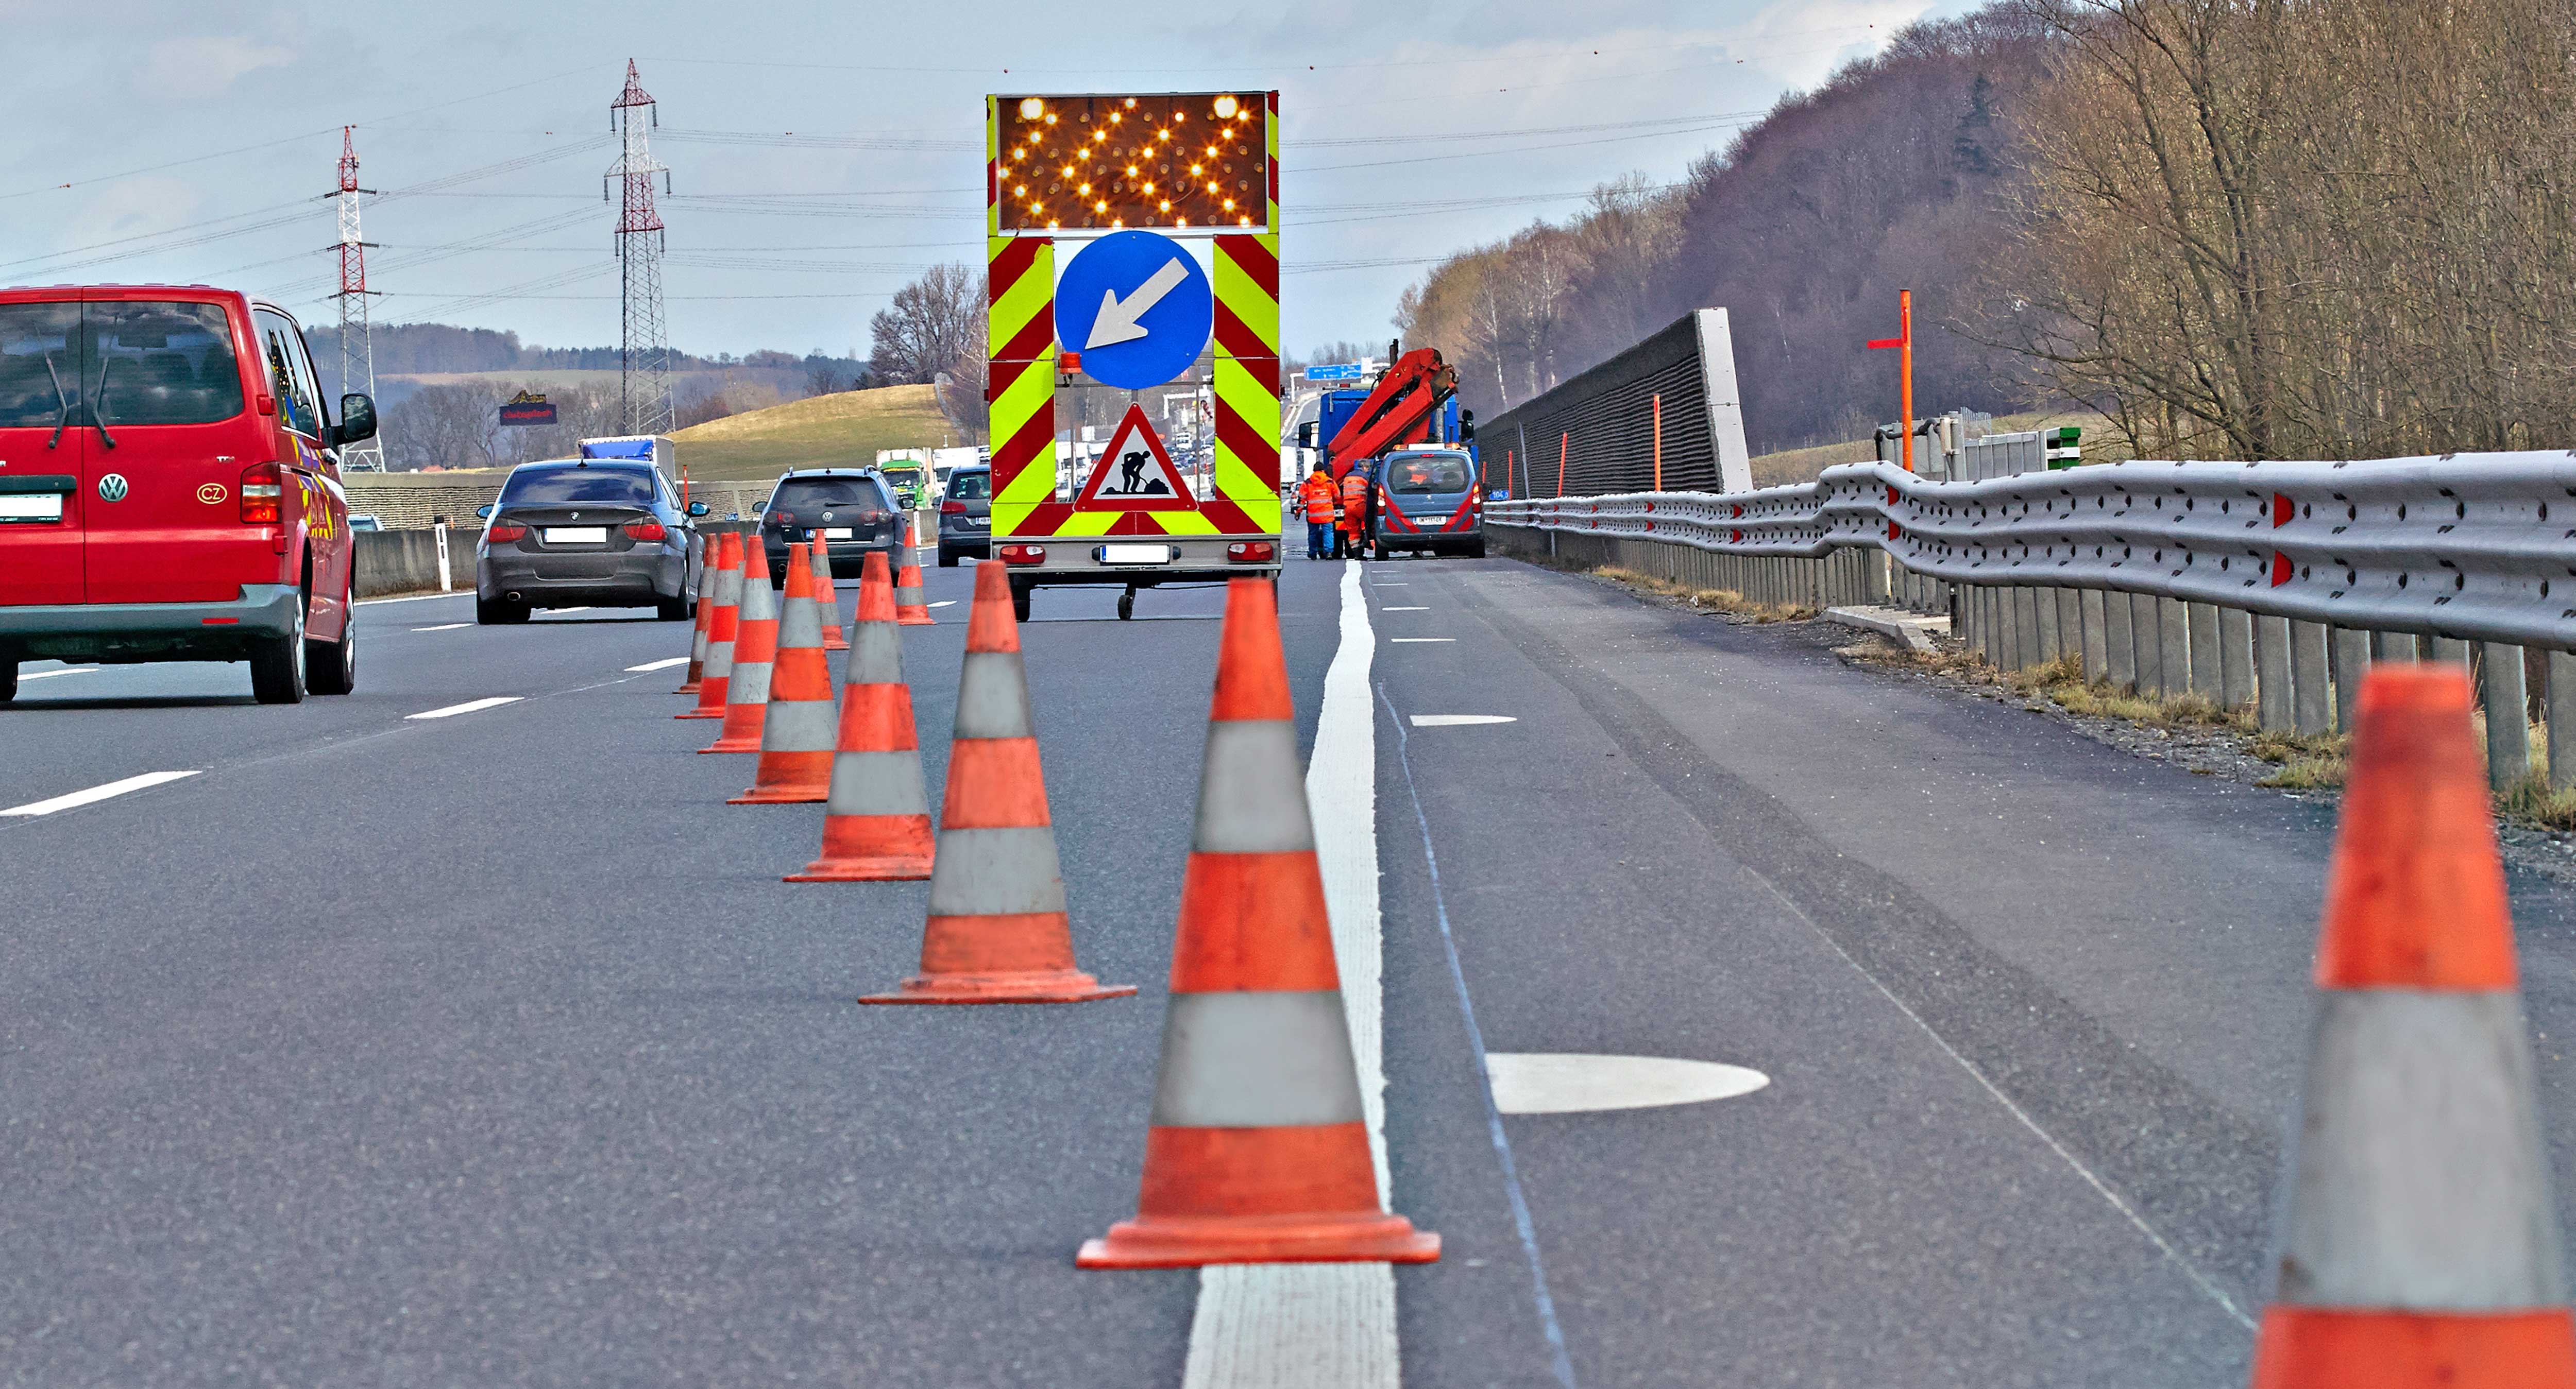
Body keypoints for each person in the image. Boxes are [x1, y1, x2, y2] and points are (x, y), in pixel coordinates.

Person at [1299, 462, 1339, 559]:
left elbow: (1302, 499)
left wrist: (1298, 512)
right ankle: (1329, 552)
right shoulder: (1330, 482)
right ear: (1323, 471)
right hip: (1327, 514)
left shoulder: (1308, 483)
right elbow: (1338, 496)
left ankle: (1313, 553)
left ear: (1314, 471)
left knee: (1313, 534)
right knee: (1328, 533)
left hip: (1313, 515)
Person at [1339, 461, 1371, 559]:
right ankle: (1366, 542)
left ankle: (1358, 554)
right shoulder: (1365, 477)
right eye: (1368, 468)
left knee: (1353, 532)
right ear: (1364, 467)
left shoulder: (1347, 477)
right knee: (1370, 525)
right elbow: (1371, 491)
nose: (1368, 470)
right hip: (1360, 505)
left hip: (1347, 507)